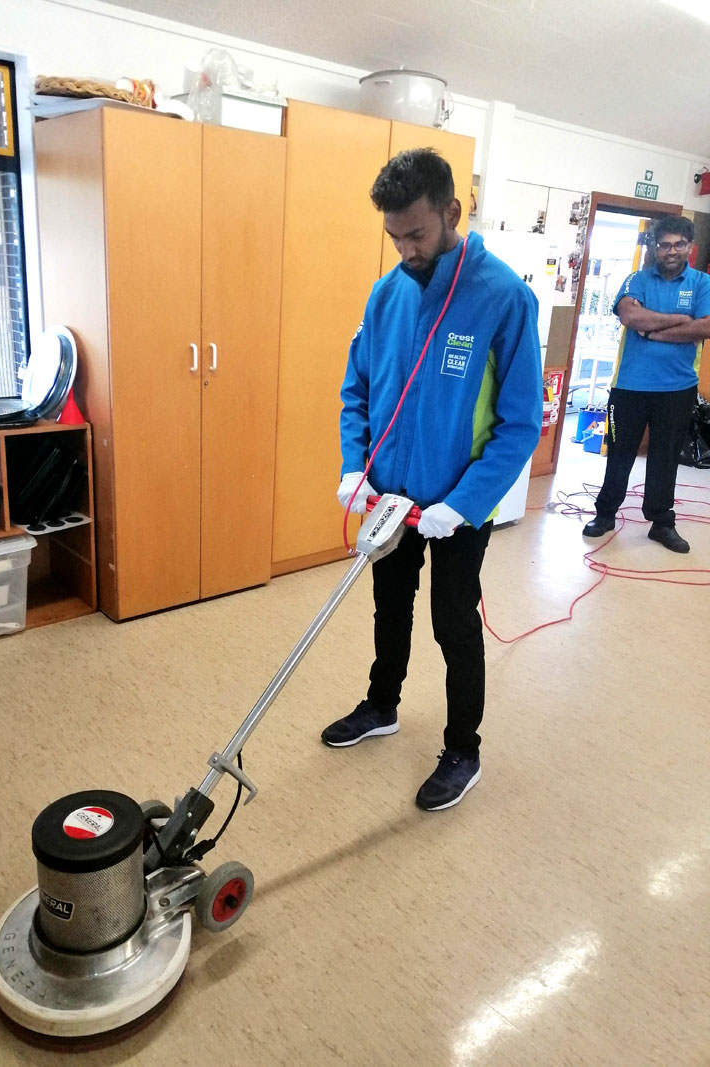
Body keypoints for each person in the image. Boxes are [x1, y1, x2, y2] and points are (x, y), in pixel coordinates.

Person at [320, 148, 543, 811]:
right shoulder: (386, 294)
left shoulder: (503, 296)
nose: (406, 248)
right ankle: (382, 703)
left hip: (453, 507)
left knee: (453, 623)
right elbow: (356, 389)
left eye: (416, 233)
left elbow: (520, 422)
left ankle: (462, 747)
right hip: (388, 498)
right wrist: (353, 465)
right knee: (389, 606)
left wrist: (466, 503)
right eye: (394, 237)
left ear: (452, 211)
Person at [583, 215, 710, 553]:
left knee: (665, 456)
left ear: (689, 247)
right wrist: (681, 320)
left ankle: (661, 522)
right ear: (656, 247)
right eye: (665, 244)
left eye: (678, 244)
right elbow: (629, 316)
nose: (671, 250)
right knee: (619, 452)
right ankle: (605, 514)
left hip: (678, 389)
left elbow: (705, 327)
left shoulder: (701, 284)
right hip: (628, 387)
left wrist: (653, 329)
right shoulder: (636, 279)